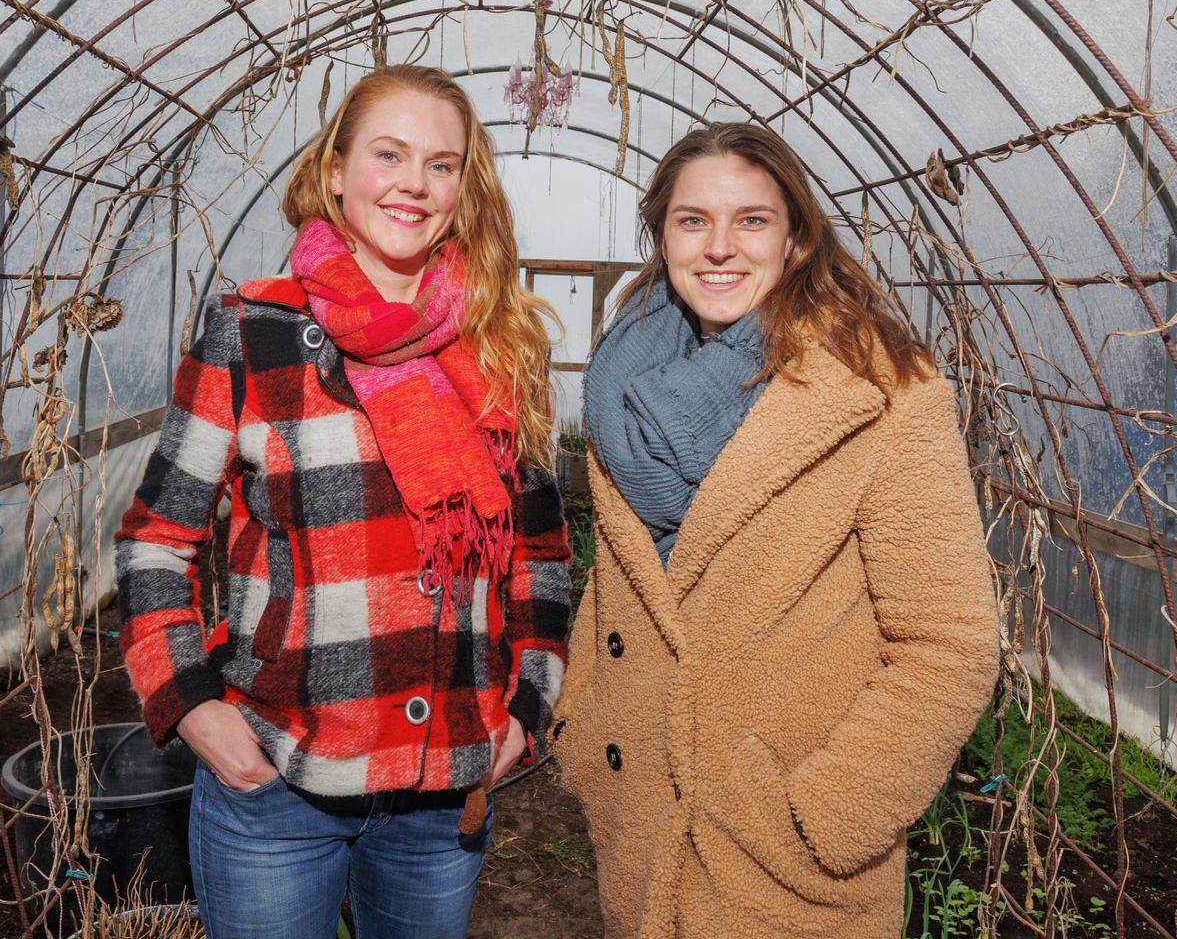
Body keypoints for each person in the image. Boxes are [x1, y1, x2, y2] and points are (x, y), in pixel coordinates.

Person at [114, 64, 571, 939]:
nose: (413, 183)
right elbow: (155, 542)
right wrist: (192, 704)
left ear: (464, 186)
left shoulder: (499, 343)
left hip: (443, 793)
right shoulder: (253, 333)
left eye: (442, 164)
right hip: (278, 782)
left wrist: (528, 707)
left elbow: (540, 552)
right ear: (335, 170)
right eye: (389, 154)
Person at [554, 121, 998, 937]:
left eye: (751, 220)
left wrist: (823, 815)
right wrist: (579, 716)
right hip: (639, 821)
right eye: (693, 221)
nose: (719, 247)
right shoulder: (628, 376)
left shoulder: (881, 389)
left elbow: (950, 641)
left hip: (781, 864)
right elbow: (631, 576)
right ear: (662, 234)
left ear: (795, 237)